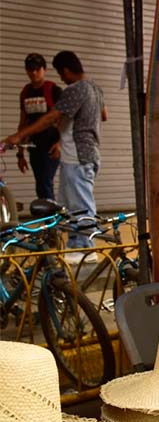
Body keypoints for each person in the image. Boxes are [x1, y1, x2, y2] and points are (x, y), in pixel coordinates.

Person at [3, 51, 106, 263]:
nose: (61, 78)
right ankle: (76, 244)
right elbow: (103, 115)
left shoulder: (76, 89)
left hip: (78, 155)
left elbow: (51, 117)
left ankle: (86, 248)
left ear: (66, 70)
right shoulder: (95, 88)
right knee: (67, 204)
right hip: (82, 155)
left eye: (61, 73)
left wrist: (19, 135)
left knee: (81, 204)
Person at [16, 53, 62, 200]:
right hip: (34, 145)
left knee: (45, 182)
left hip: (51, 145)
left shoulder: (53, 90)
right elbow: (23, 123)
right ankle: (48, 217)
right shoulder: (25, 92)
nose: (34, 73)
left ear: (44, 70)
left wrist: (59, 143)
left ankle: (52, 220)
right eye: (30, 69)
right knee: (40, 184)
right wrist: (20, 153)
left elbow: (64, 119)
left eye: (37, 69)